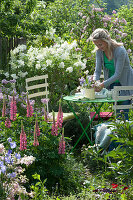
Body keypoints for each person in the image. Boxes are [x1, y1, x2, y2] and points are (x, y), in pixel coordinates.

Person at [89, 28, 133, 120]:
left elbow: (118, 74)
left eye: (100, 44)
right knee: (116, 114)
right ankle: (117, 133)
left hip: (125, 84)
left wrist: (102, 84)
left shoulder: (120, 50)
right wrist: (95, 82)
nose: (99, 47)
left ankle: (123, 134)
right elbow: (97, 71)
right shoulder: (99, 52)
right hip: (112, 84)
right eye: (96, 45)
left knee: (123, 113)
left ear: (107, 40)